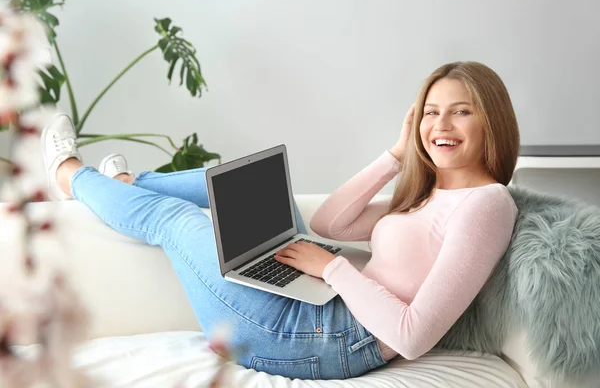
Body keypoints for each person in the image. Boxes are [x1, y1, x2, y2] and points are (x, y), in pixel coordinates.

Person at [41, 61, 519, 380]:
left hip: (325, 340)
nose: (440, 126)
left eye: (460, 112)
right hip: (322, 308)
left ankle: (70, 176)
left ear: (491, 121)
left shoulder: (488, 204)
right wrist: (395, 156)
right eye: (431, 113)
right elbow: (332, 223)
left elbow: (412, 336)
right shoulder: (433, 194)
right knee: (256, 186)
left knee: (176, 219)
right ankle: (128, 185)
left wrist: (330, 269)